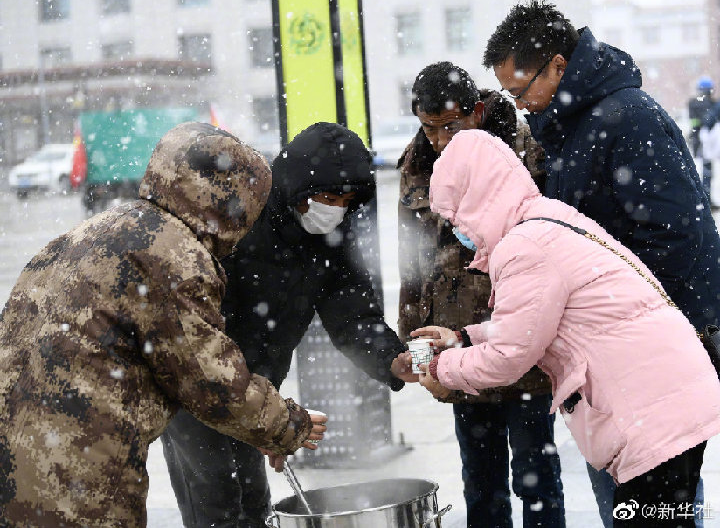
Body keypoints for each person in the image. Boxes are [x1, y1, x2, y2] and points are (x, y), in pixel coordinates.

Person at [0, 122, 328, 527]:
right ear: (234, 203)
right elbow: (211, 382)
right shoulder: (174, 256)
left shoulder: (99, 231)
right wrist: (288, 426)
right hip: (81, 458)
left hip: (14, 449)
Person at [483, 0, 720, 527]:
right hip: (612, 365)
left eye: (521, 91)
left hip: (649, 361)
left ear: (558, 66)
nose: (520, 105)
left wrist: (626, 327)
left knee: (658, 511)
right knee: (626, 505)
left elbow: (677, 239)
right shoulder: (567, 127)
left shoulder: (628, 119)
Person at [414, 128, 720, 528]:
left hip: (650, 415)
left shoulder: (523, 247)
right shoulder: (548, 218)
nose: (456, 229)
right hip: (670, 398)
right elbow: (530, 325)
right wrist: (463, 338)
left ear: (475, 201)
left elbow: (510, 355)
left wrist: (443, 370)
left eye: (454, 215)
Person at [160, 122, 411, 527]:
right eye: (328, 197)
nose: (336, 208)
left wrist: (391, 358)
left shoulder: (334, 235)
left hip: (257, 387)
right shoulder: (237, 221)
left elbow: (353, 314)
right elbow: (195, 331)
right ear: (297, 187)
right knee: (215, 501)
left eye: (347, 200)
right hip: (196, 386)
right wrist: (274, 423)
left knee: (253, 503)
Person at [397, 61, 564, 527]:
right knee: (480, 478)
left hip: (520, 330)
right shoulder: (416, 166)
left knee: (536, 475)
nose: (438, 139)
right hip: (454, 338)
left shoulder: (527, 152)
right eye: (428, 128)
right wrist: (413, 341)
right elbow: (412, 264)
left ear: (476, 111)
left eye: (449, 126)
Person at [688, 76, 717, 205]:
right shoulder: (714, 104)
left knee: (702, 172)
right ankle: (706, 199)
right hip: (710, 142)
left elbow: (694, 123)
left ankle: (703, 200)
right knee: (707, 172)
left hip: (699, 141)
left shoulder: (693, 103)